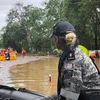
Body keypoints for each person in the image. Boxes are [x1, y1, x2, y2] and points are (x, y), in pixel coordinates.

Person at [47, 21, 100, 100]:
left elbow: (70, 96)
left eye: (53, 38)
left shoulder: (72, 61)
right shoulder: (74, 53)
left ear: (56, 39)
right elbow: (66, 91)